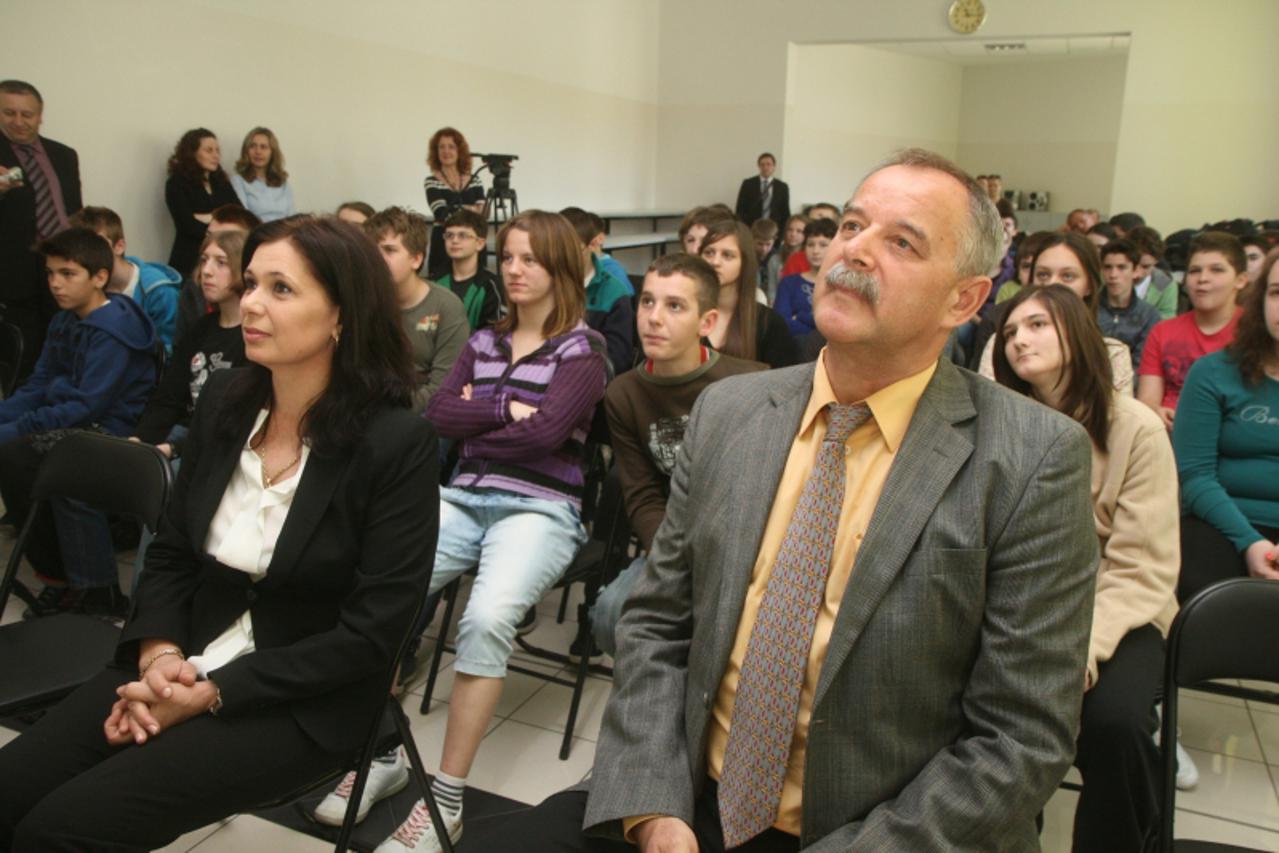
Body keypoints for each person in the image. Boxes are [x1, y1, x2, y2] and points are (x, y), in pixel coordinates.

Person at [482, 148, 1097, 853]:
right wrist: (654, 804)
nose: (854, 250)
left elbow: (1018, 739)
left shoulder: (1031, 457)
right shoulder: (731, 411)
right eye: (851, 225)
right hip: (688, 792)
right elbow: (656, 621)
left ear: (963, 299)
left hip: (874, 828)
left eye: (900, 242)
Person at [0, 215, 437, 851]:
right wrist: (161, 657)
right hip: (186, 655)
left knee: (63, 830)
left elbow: (372, 634)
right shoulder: (229, 398)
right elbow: (174, 551)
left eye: (281, 289)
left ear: (343, 315)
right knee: (11, 791)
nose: (251, 302)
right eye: (252, 281)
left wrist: (208, 694)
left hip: (301, 696)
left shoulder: (396, 441)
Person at [334, 210, 606, 853]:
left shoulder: (584, 350)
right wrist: (500, 407)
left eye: (530, 259)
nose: (513, 269)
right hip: (463, 495)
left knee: (484, 619)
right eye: (508, 257)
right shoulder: (485, 341)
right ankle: (380, 754)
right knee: (375, 592)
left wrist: (482, 422)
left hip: (541, 508)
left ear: (561, 268)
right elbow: (437, 415)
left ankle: (447, 799)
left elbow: (544, 436)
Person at [994, 284, 1179, 852]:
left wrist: (1083, 651)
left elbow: (1140, 569)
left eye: (1037, 325)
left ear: (1076, 331)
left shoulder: (1136, 428)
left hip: (1117, 613)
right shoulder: (1003, 424)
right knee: (979, 717)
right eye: (1009, 333)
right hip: (1023, 609)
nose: (1020, 340)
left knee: (1115, 726)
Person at [590, 253, 765, 656]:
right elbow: (643, 494)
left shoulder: (751, 382)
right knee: (610, 615)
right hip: (674, 541)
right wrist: (673, 561)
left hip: (744, 545)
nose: (653, 317)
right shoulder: (624, 393)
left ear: (707, 323)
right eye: (647, 301)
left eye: (674, 306)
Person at [0, 227, 156, 619]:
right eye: (51, 273)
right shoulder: (64, 321)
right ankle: (62, 579)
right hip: (75, 421)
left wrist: (14, 429)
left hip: (112, 432)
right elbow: (37, 385)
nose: (55, 283)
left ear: (99, 278)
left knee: (23, 457)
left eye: (68, 274)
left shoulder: (114, 330)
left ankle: (93, 589)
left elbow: (85, 406)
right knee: (13, 453)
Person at [1172, 247, 1279, 601]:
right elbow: (1194, 474)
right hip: (1222, 522)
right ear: (1260, 299)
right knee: (1207, 593)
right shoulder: (1213, 373)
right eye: (1277, 293)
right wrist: (1251, 543)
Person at [134, 229, 247, 460]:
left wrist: (174, 448)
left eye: (221, 263)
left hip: (219, 446)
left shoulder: (252, 336)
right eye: (204, 260)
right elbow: (169, 397)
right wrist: (141, 439)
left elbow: (236, 417)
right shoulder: (201, 328)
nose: (207, 271)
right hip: (183, 433)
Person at [977, 232, 1134, 396]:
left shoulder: (1112, 354)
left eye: (1068, 276)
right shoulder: (1006, 342)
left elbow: (1117, 418)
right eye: (1043, 275)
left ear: (1089, 286)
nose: (1052, 285)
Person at [0, 79, 82, 381]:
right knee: (23, 359)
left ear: (40, 114)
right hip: (14, 277)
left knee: (65, 352)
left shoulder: (64, 155)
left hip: (65, 266)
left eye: (27, 114)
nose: (19, 122)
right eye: (9, 113)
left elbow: (74, 210)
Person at [1137, 231, 1247, 430]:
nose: (1202, 279)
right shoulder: (1162, 331)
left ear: (1240, 280)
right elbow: (1147, 400)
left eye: (1217, 270)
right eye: (1195, 271)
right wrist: (1156, 411)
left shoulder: (1253, 331)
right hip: (1168, 433)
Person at [364, 206, 468, 412]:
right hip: (370, 407)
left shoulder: (446, 305)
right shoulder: (363, 303)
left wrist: (388, 413)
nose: (377, 259)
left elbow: (443, 387)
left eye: (389, 250)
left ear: (416, 259)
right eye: (371, 250)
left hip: (425, 413)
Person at [70, 205, 183, 353]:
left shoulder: (159, 292)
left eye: (96, 246)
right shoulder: (86, 285)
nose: (86, 255)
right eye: (80, 248)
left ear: (119, 246)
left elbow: (170, 350)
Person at [699, 218, 798, 368]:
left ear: (745, 263)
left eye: (727, 255)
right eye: (709, 253)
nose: (715, 262)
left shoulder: (769, 323)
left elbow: (787, 382)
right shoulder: (686, 314)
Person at [562, 206, 635, 377]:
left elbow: (618, 360)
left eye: (572, 251)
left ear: (592, 245)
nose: (563, 259)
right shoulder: (546, 284)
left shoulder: (614, 293)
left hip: (589, 381)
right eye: (557, 252)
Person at [174, 204, 262, 345]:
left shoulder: (260, 318)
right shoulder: (194, 290)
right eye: (209, 235)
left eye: (229, 239)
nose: (213, 243)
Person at [164, 128, 239, 275]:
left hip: (224, 257)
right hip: (189, 258)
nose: (215, 155)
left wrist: (209, 217)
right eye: (209, 150)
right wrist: (222, 222)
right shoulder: (176, 183)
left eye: (217, 150)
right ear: (192, 153)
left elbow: (238, 215)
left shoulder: (221, 181)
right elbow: (188, 225)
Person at [423, 127, 484, 279]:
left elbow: (482, 213)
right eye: (441, 147)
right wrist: (470, 209)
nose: (446, 151)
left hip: (471, 240)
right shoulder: (431, 181)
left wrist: (456, 208)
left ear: (460, 151)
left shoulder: (474, 179)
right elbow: (442, 214)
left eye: (451, 147)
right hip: (444, 241)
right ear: (435, 152)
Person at [435, 208, 507, 332]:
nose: (454, 240)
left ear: (480, 243)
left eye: (463, 235)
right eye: (449, 235)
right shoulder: (433, 282)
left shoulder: (492, 286)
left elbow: (492, 336)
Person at [1098, 239, 1162, 368]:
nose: (1113, 275)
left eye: (1121, 267)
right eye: (1107, 267)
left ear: (1136, 271)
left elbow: (1142, 364)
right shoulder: (1086, 309)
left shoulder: (1149, 315)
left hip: (1130, 385)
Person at [773, 218, 837, 338]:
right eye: (810, 244)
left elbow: (835, 326)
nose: (815, 251)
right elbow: (781, 324)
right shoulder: (789, 283)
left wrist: (801, 316)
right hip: (793, 350)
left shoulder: (840, 285)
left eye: (823, 245)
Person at [230, 126, 295, 223]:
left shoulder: (282, 182)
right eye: (252, 146)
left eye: (263, 147)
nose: (258, 152)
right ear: (246, 151)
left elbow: (292, 217)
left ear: (272, 152)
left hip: (283, 233)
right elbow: (244, 219)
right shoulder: (238, 181)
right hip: (257, 233)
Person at [1127, 226, 1179, 320]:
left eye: (1146, 267)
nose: (1138, 272)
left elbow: (1168, 319)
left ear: (1156, 262)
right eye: (1133, 265)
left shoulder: (1166, 285)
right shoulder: (1105, 276)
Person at [778, 204, 841, 279]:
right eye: (812, 221)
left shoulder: (845, 262)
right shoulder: (796, 260)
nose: (818, 225)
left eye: (825, 221)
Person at [734, 152, 790, 230]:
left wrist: (782, 232)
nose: (765, 167)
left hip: (774, 229)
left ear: (774, 166)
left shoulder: (782, 187)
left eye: (768, 164)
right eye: (762, 164)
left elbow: (785, 212)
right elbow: (740, 209)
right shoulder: (748, 184)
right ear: (759, 166)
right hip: (752, 228)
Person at [752, 218, 782, 305]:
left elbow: (775, 283)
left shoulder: (776, 258)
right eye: (760, 244)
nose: (764, 248)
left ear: (775, 240)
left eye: (768, 244)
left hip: (772, 300)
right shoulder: (749, 256)